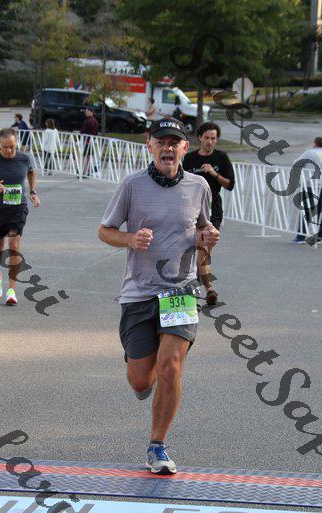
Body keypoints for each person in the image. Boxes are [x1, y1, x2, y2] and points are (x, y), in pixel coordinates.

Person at [98, 118, 219, 475]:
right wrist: (129, 239)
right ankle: (142, 372)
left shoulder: (199, 186)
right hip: (138, 292)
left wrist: (207, 238)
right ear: (149, 145)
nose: (168, 148)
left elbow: (203, 230)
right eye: (161, 141)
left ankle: (157, 446)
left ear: (185, 148)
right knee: (141, 379)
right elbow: (104, 231)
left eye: (174, 142)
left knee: (171, 365)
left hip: (180, 290)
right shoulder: (132, 185)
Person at [0, 128, 40, 305]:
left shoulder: (24, 158)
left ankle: (11, 290)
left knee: (14, 244)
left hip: (18, 208)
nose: (10, 150)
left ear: (16, 143)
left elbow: (31, 172)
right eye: (6, 147)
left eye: (12, 146)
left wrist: (33, 192)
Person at [183, 122, 235, 305]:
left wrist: (214, 174)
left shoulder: (221, 158)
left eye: (213, 138)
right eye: (206, 138)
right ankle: (205, 287)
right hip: (191, 211)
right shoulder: (189, 159)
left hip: (213, 212)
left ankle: (206, 287)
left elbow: (230, 185)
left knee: (204, 250)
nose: (209, 142)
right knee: (194, 249)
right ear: (199, 138)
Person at [291, 137, 322, 245]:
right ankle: (319, 237)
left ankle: (301, 236)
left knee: (307, 209)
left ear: (315, 144)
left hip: (310, 184)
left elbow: (296, 163)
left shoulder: (310, 153)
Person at [80, 107, 99, 176]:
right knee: (88, 157)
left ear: (91, 112)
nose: (86, 113)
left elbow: (83, 131)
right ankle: (87, 171)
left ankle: (83, 172)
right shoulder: (95, 121)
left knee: (85, 157)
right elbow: (96, 132)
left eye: (87, 111)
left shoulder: (87, 121)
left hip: (87, 141)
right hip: (92, 141)